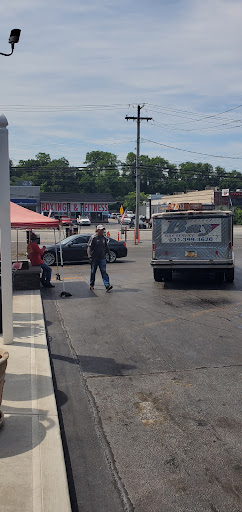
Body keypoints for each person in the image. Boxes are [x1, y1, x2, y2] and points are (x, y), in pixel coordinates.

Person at [87, 225, 113, 292]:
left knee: (104, 271)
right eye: (101, 230)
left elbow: (106, 247)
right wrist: (90, 257)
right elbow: (89, 248)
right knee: (93, 272)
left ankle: (107, 285)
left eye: (103, 230)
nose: (102, 231)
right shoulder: (93, 238)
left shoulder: (103, 238)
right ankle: (91, 285)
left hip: (102, 258)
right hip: (94, 258)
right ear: (98, 230)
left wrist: (109, 254)